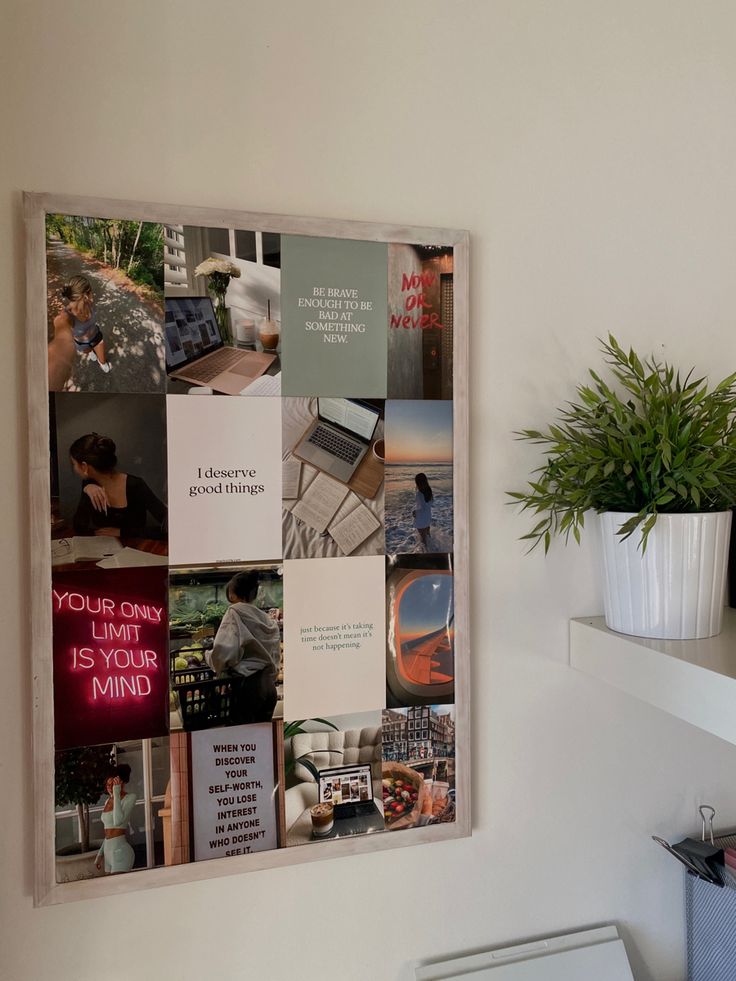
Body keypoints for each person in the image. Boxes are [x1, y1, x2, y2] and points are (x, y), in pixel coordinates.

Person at [207, 571, 280, 724]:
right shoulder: (265, 617)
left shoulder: (234, 612)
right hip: (269, 688)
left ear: (232, 594)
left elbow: (224, 650)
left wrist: (209, 657)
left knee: (244, 739)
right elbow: (275, 652)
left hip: (249, 688)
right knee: (261, 738)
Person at [69, 432, 167, 539]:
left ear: (84, 466)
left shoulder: (135, 485)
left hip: (136, 550)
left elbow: (171, 526)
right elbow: (79, 528)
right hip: (104, 551)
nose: (74, 469)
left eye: (74, 464)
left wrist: (122, 532)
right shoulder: (89, 484)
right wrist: (86, 489)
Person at [54, 275, 111, 373]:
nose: (92, 294)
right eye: (90, 291)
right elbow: (61, 330)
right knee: (88, 351)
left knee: (102, 358)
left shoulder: (89, 303)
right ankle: (91, 353)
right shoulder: (67, 315)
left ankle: (102, 362)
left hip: (96, 336)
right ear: (85, 295)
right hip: (82, 344)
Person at [95, 764, 136, 874]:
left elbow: (118, 821)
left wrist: (116, 794)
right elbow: (108, 833)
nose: (109, 787)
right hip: (108, 852)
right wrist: (100, 855)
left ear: (120, 783)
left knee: (121, 888)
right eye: (107, 785)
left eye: (112, 784)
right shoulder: (107, 801)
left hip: (121, 851)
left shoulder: (130, 798)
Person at [413, 472, 433, 551]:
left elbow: (421, 508)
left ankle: (425, 552)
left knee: (423, 538)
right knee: (427, 534)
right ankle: (432, 548)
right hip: (428, 516)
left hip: (421, 518)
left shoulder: (419, 493)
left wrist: (415, 512)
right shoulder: (429, 490)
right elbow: (430, 503)